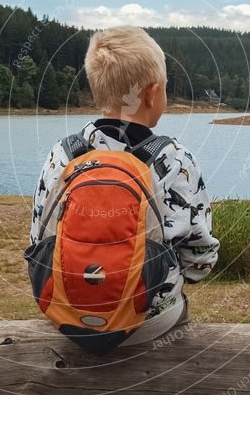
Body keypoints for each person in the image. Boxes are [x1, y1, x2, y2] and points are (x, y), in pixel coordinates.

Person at [25, 25, 220, 351]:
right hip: (152, 323)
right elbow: (200, 256)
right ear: (152, 93)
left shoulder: (63, 153)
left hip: (69, 317)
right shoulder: (174, 158)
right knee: (177, 317)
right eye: (167, 88)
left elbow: (38, 243)